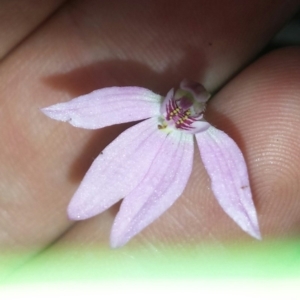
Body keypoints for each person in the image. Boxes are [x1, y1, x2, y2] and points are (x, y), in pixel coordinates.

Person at [0, 0, 299, 278]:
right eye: (181, 102)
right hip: (147, 131)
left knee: (129, 213)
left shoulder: (212, 142)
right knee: (94, 200)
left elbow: (233, 189)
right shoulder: (147, 105)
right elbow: (82, 110)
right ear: (174, 94)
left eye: (188, 107)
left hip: (166, 148)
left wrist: (247, 217)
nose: (181, 110)